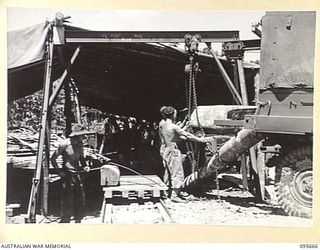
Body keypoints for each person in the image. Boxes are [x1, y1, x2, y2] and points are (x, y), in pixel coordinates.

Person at [159, 106, 212, 203]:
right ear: (173, 114)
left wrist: (185, 125)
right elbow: (186, 135)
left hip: (166, 149)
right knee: (177, 173)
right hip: (173, 151)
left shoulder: (163, 124)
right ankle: (175, 195)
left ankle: (166, 192)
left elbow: (177, 135)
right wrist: (200, 139)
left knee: (168, 172)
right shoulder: (173, 126)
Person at [50, 123, 93, 223]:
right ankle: (65, 220)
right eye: (82, 135)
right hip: (67, 174)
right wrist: (59, 172)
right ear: (76, 135)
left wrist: (85, 166)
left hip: (77, 173)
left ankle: (78, 218)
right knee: (67, 199)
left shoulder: (80, 144)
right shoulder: (65, 144)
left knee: (80, 197)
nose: (84, 137)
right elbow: (53, 158)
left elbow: (81, 158)